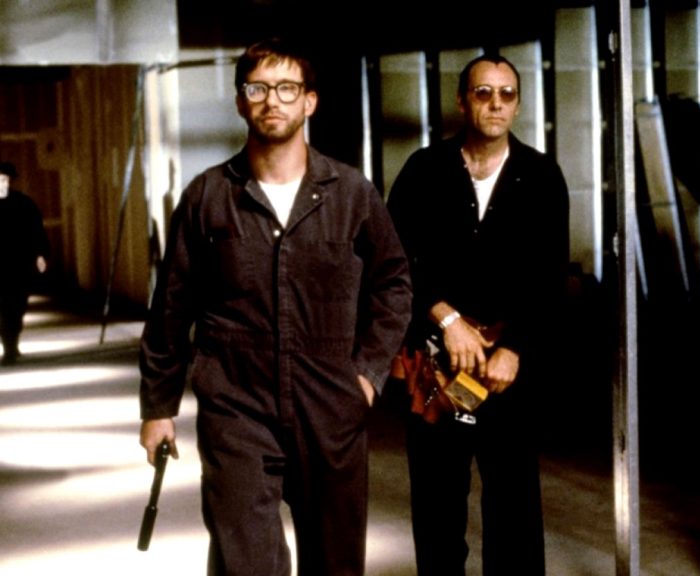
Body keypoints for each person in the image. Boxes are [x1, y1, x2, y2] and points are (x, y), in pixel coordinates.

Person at [139, 39, 412, 576]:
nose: (272, 101)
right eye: (258, 88)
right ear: (240, 102)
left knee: (336, 564)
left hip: (330, 405)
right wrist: (157, 407)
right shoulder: (207, 197)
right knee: (245, 562)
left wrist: (367, 375)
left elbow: (394, 283)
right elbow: (171, 306)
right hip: (236, 407)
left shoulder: (352, 194)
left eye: (287, 89)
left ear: (310, 102)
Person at [387, 54, 570, 575]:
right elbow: (392, 260)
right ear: (462, 101)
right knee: (437, 503)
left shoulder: (541, 176)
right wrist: (446, 319)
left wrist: (515, 349)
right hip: (435, 366)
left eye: (506, 94)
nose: (495, 103)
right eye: (483, 92)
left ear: (518, 104)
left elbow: (549, 278)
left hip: (505, 370)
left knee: (514, 505)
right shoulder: (424, 170)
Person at [0, 162, 48, 366]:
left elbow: (37, 230)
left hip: (19, 264)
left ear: (10, 181)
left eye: (4, 179)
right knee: (3, 307)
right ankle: (8, 346)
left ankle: (12, 343)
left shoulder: (23, 204)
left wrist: (40, 255)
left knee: (17, 306)